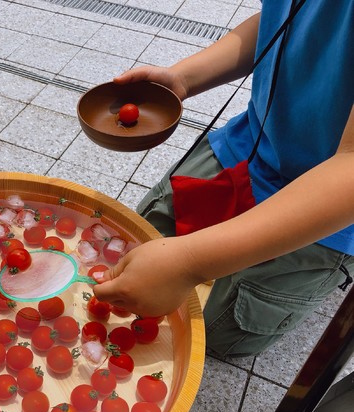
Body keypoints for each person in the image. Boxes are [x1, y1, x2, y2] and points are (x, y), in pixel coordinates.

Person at [92, 0, 354, 357]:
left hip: (330, 204)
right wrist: (184, 77)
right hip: (251, 145)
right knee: (131, 255)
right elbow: (279, 21)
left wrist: (189, 263)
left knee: (214, 333)